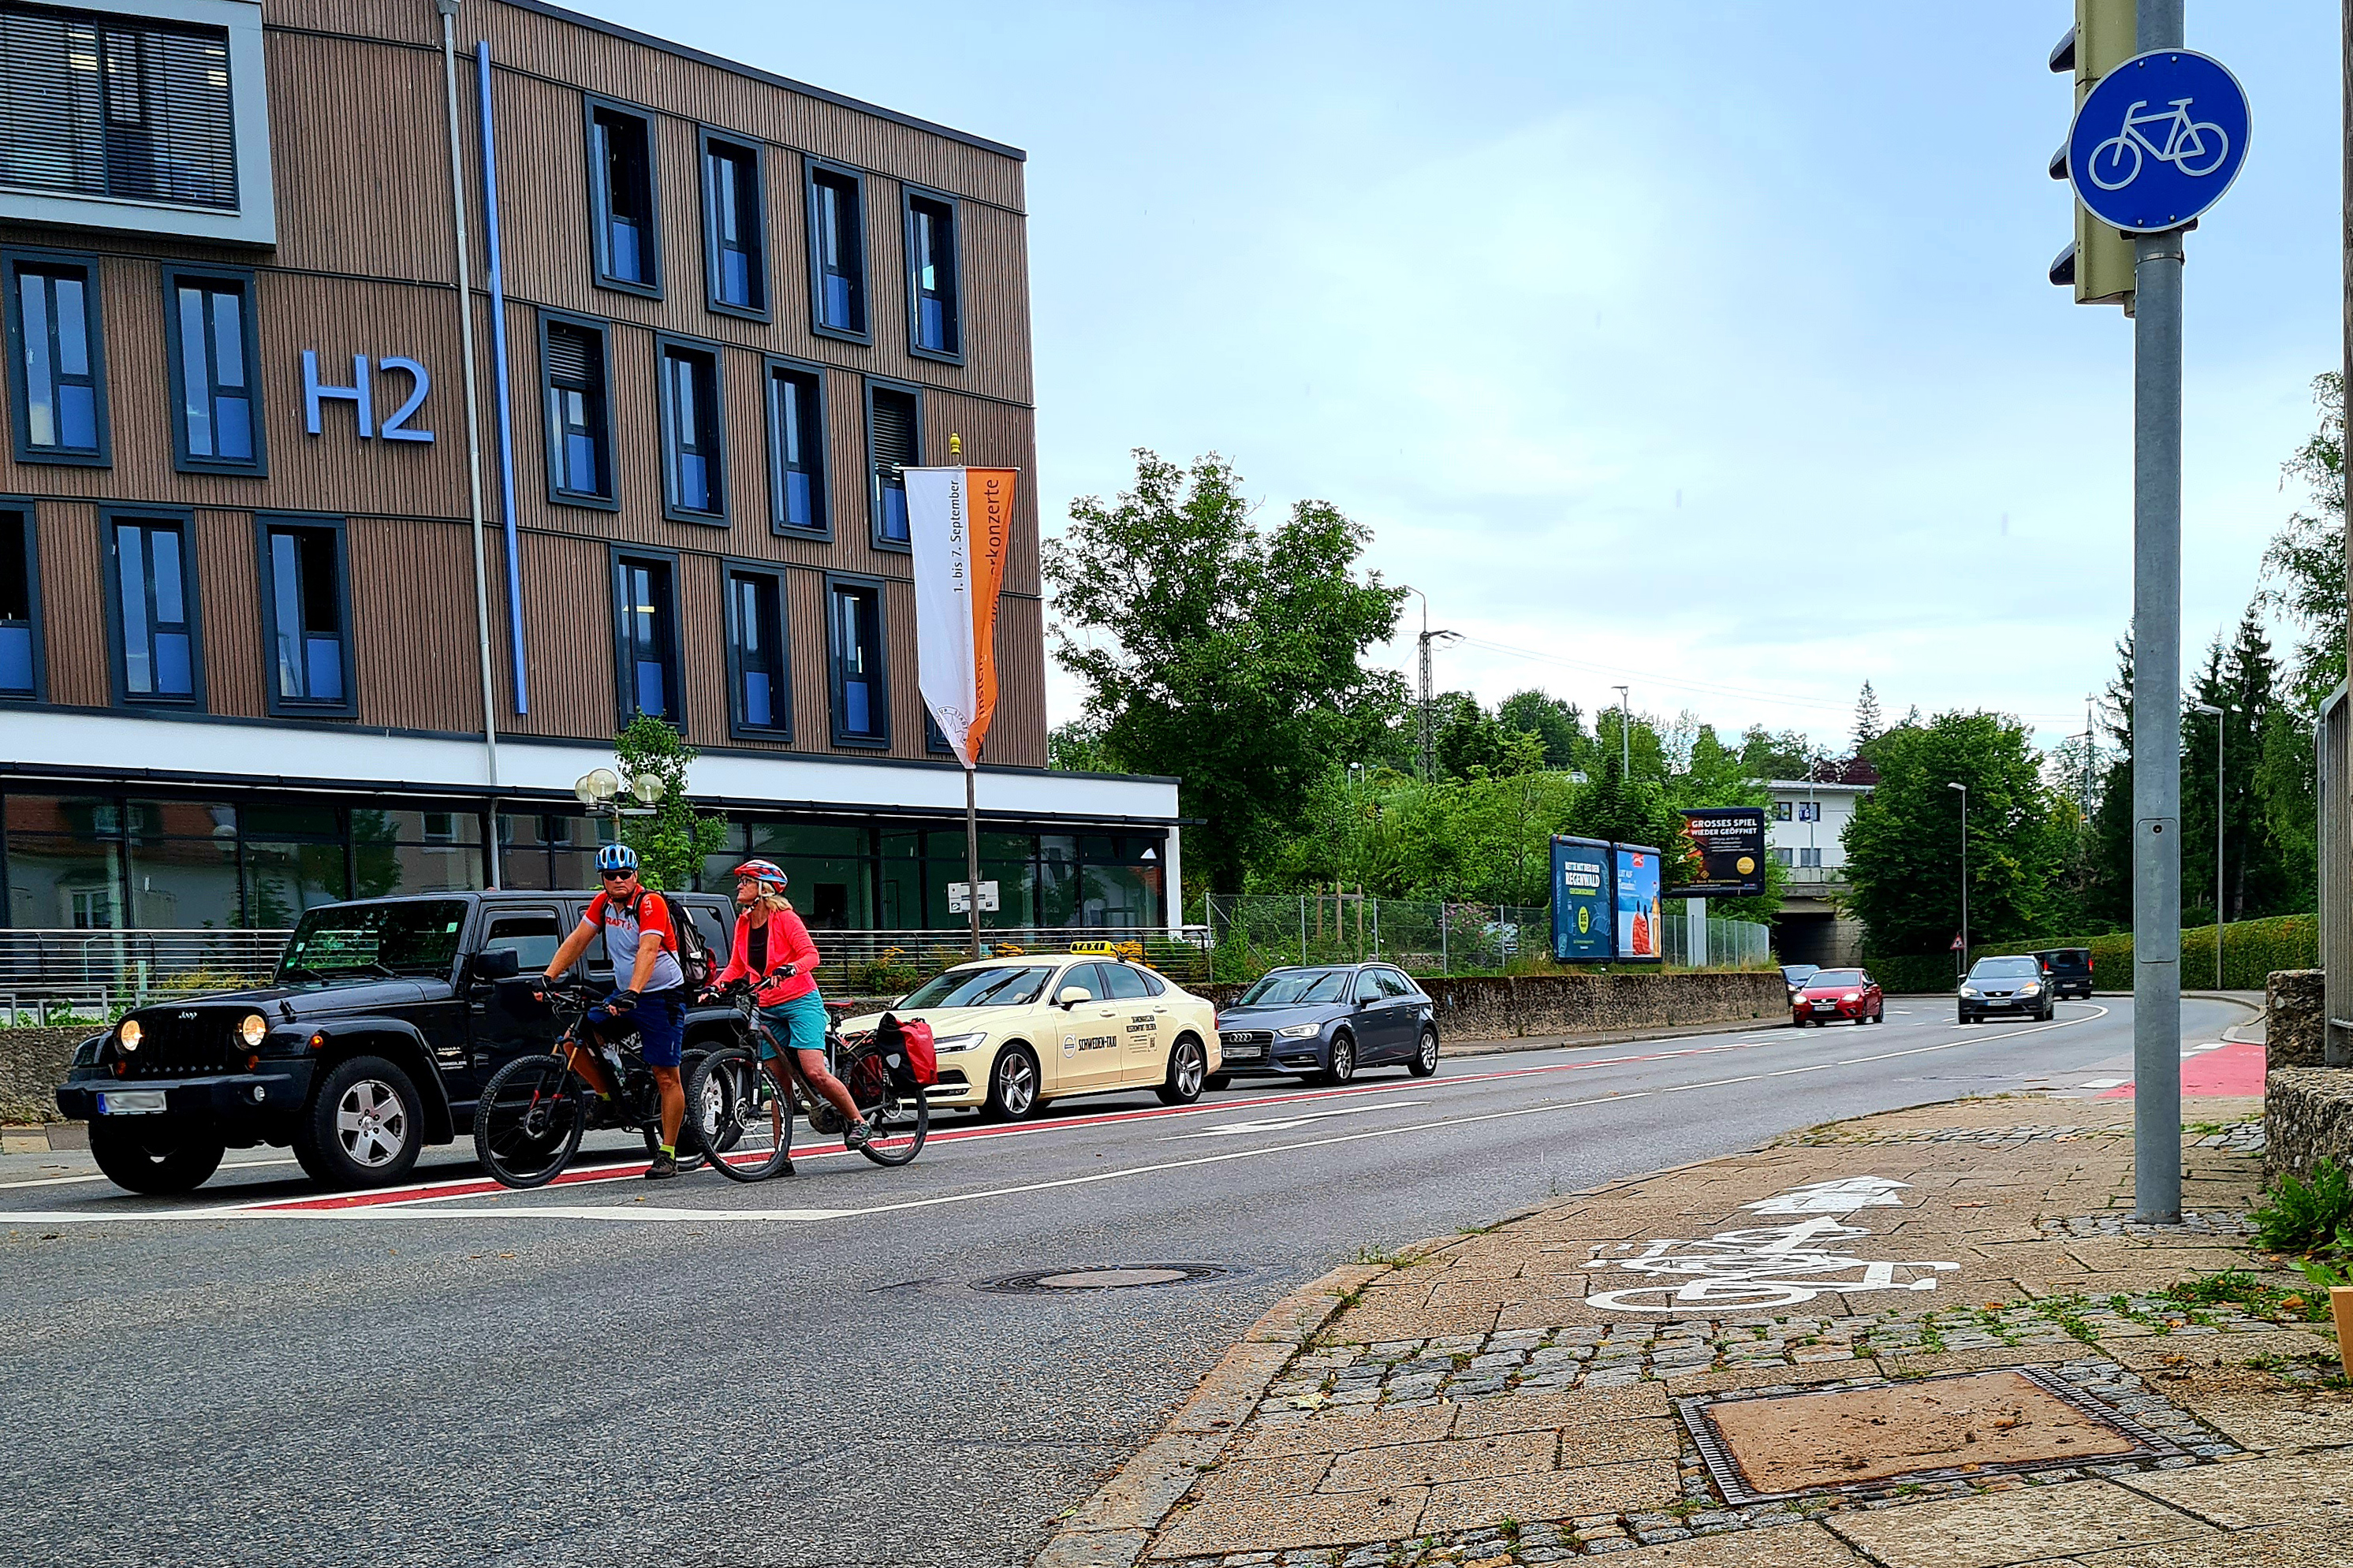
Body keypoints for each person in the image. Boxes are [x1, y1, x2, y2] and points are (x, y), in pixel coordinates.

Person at [537, 843, 692, 1179]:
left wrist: (633, 992)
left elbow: (648, 950)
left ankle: (667, 1153)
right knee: (571, 1041)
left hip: (660, 994)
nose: (618, 880)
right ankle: (607, 1096)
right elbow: (578, 940)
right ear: (603, 879)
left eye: (625, 874)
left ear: (635, 876)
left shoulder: (650, 904)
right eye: (611, 875)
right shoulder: (603, 903)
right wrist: (548, 977)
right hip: (626, 993)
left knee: (666, 1076)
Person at [707, 859, 872, 1153]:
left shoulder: (785, 919)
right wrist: (715, 986)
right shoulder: (744, 922)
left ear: (762, 888)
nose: (739, 886)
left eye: (745, 881)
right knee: (778, 1085)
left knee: (814, 1072)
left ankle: (858, 1120)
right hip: (767, 1007)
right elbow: (736, 966)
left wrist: (790, 969)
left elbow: (811, 956)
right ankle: (780, 1155)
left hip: (800, 1002)